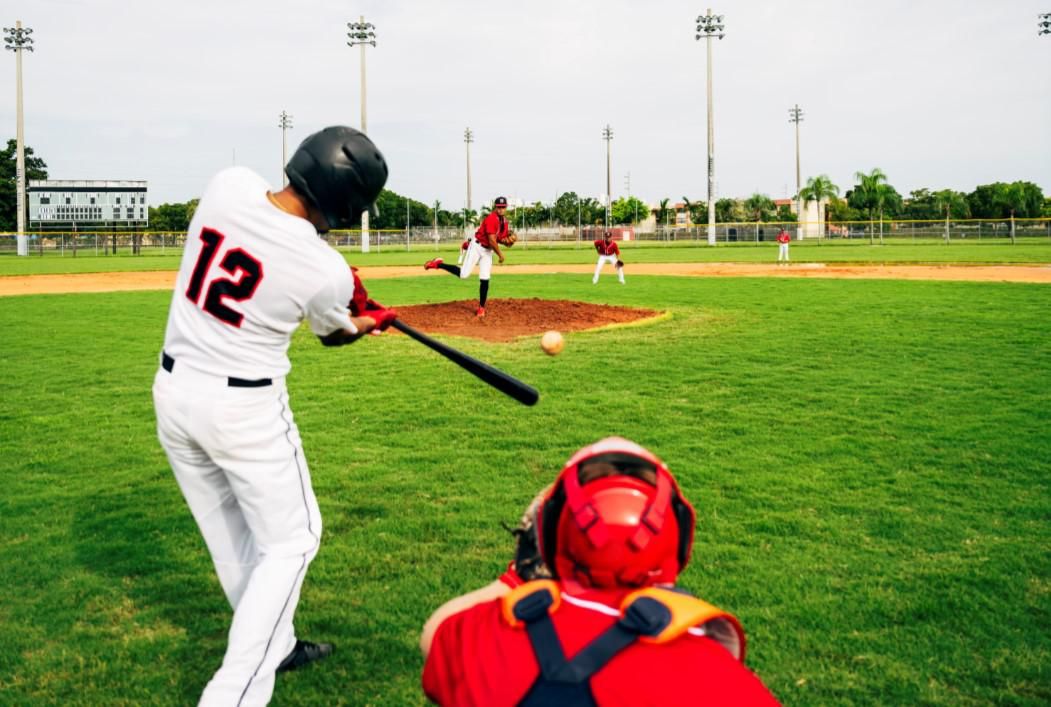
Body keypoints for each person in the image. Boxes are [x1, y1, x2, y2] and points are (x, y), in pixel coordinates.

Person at [152, 126, 397, 706]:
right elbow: (334, 334)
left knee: (233, 541)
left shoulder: (227, 186)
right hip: (244, 411)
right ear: (345, 203)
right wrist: (369, 317)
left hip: (174, 393)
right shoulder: (323, 268)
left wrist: (342, 296)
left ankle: (278, 644)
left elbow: (274, 237)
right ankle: (232, 696)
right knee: (294, 541)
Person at [420, 437, 780, 706]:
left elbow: (434, 633)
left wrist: (523, 575)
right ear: (678, 539)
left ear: (548, 536)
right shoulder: (715, 677)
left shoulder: (479, 638)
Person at [424, 196, 512, 317]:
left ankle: (481, 308)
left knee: (485, 278)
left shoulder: (505, 222)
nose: (501, 209)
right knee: (463, 275)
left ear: (506, 207)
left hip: (487, 252)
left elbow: (500, 239)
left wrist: (508, 242)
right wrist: (501, 255)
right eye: (499, 207)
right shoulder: (492, 219)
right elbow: (492, 240)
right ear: (495, 207)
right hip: (477, 247)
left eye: (503, 207)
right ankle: (438, 264)